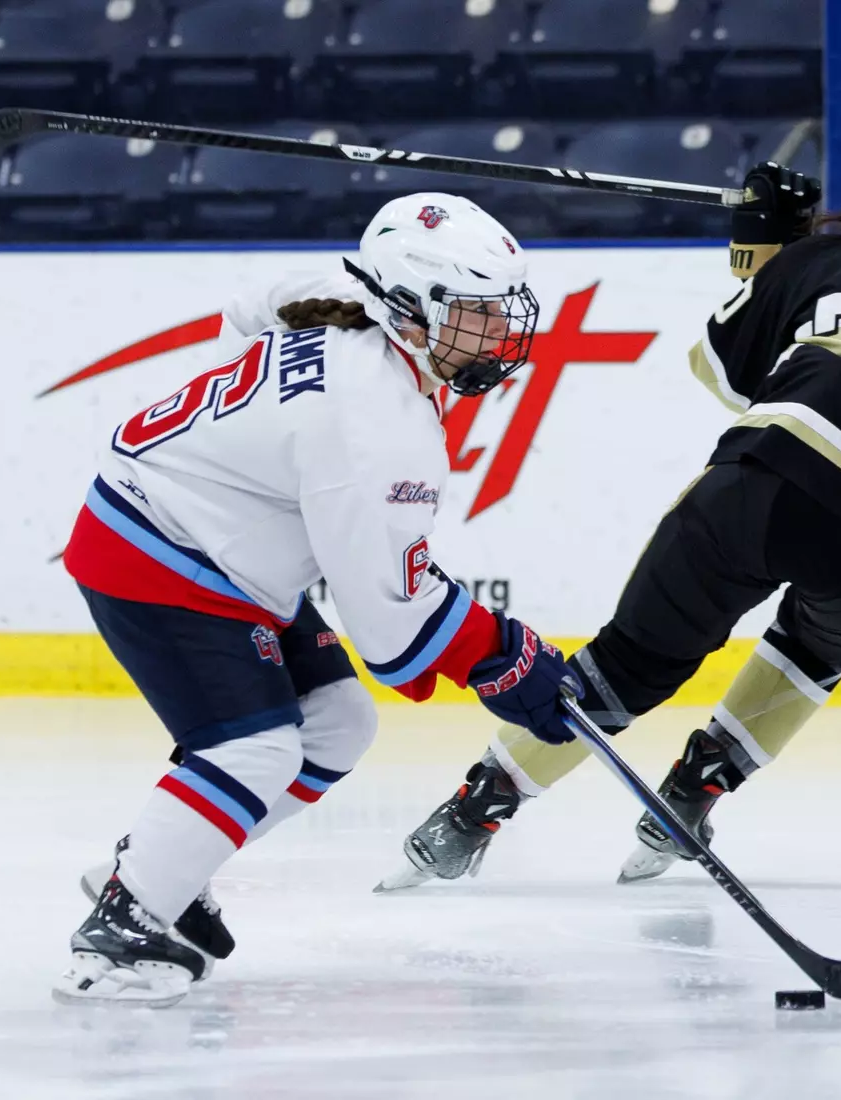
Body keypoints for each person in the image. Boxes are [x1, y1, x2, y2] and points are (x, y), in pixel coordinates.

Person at [378, 121, 841, 892]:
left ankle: (473, 810)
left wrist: (764, 252)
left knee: (625, 668)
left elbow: (728, 376)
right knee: (815, 652)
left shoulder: (820, 259)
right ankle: (703, 781)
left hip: (766, 480)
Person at [54, 192, 579, 1006]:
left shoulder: (334, 307)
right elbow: (391, 630)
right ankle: (122, 926)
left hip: (209, 544)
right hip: (162, 556)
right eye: (478, 315)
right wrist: (503, 658)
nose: (503, 335)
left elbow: (246, 312)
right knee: (255, 751)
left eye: (504, 311)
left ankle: (160, 858)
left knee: (338, 723)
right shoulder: (377, 425)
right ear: (410, 305)